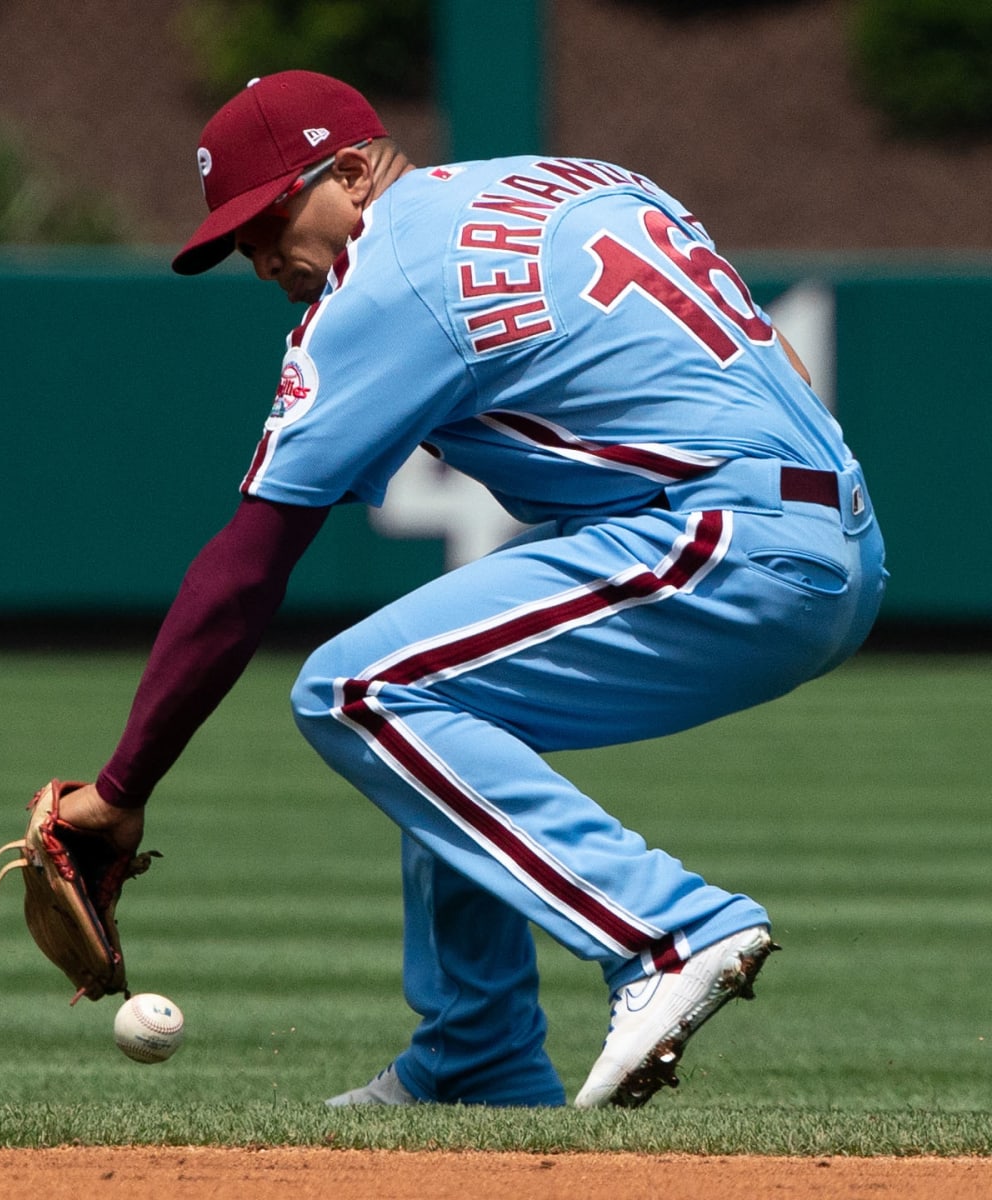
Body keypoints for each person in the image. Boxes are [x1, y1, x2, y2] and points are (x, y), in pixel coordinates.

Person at [57, 70, 886, 1108]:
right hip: (827, 536)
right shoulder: (575, 179)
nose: (261, 258)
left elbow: (248, 566)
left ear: (354, 173)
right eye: (239, 242)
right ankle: (478, 1055)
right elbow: (783, 370)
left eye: (271, 219)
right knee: (446, 696)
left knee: (358, 690)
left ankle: (670, 930)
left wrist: (123, 788)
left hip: (721, 540)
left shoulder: (384, 278)